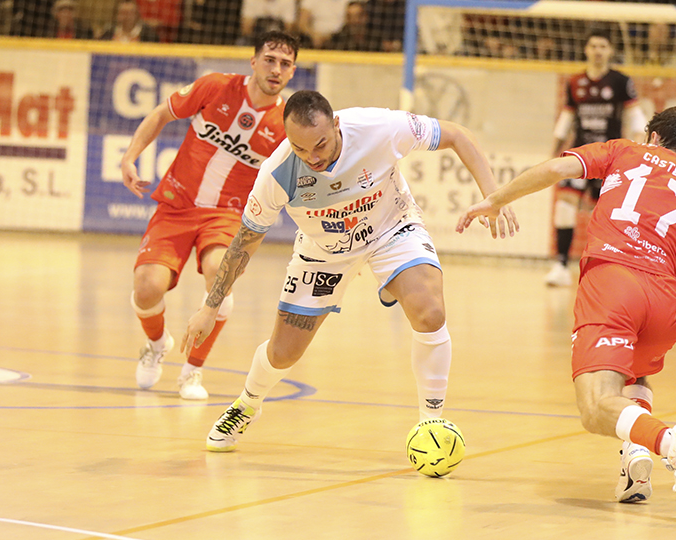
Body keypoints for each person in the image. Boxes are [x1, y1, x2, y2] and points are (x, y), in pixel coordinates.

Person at [456, 106, 676, 506]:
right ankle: (634, 460)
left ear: (654, 138)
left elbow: (556, 170)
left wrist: (496, 200)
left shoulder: (624, 151)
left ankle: (671, 441)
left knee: (594, 407)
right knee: (634, 374)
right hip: (665, 305)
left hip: (612, 284)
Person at [182, 90, 518, 452]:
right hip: (324, 252)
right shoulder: (277, 173)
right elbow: (244, 243)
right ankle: (247, 404)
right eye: (300, 149)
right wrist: (210, 306)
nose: (312, 158)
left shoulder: (379, 128)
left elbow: (456, 134)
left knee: (430, 311)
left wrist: (493, 197)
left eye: (320, 145)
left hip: (392, 229)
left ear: (337, 125)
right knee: (284, 353)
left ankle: (430, 422)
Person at [121, 31, 299, 400]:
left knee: (221, 272)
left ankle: (192, 371)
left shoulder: (286, 126)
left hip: (227, 215)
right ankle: (157, 345)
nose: (276, 69)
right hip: (177, 204)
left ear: (293, 71)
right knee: (146, 286)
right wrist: (129, 156)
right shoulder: (215, 87)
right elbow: (161, 114)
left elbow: (300, 185)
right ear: (253, 61)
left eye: (285, 64)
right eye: (269, 59)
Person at [545, 29, 647, 287]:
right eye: (593, 45)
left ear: (610, 51)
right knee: (564, 206)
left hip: (610, 158)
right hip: (580, 156)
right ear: (586, 50)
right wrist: (553, 150)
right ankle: (560, 266)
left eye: (603, 46)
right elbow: (566, 119)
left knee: (605, 216)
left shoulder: (621, 81)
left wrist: (638, 146)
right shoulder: (575, 82)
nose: (598, 50)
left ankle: (605, 269)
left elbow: (635, 117)